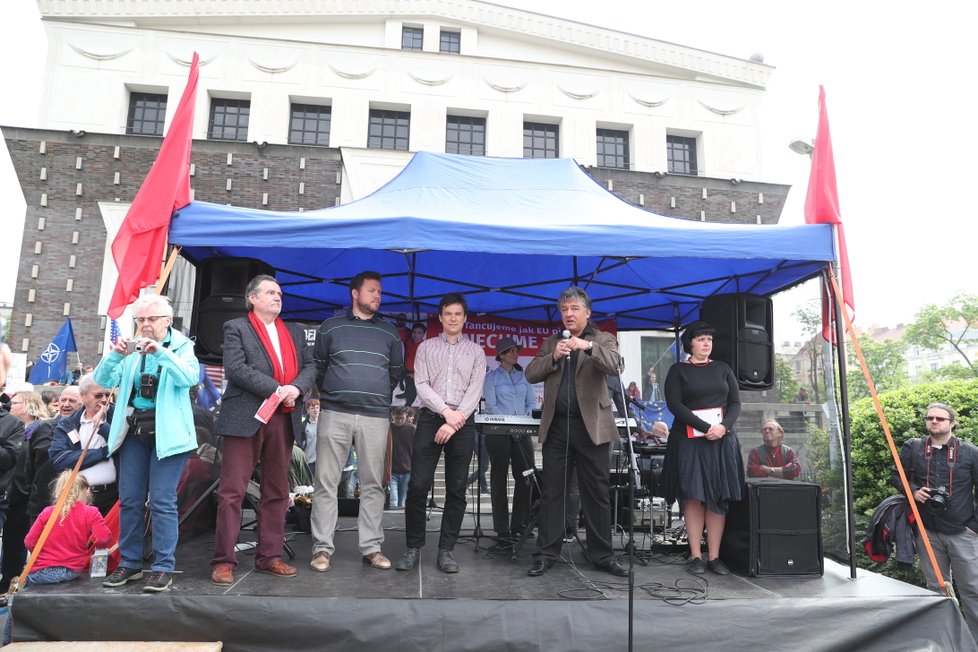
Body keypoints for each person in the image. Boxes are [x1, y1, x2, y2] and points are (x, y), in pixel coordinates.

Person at [210, 275, 316, 585]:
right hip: (245, 415)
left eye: (279, 293)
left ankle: (269, 556)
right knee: (232, 492)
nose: (277, 297)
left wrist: (295, 388)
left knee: (277, 491)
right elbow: (236, 367)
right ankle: (223, 561)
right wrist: (276, 388)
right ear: (252, 298)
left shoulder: (294, 332)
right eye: (270, 292)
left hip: (282, 417)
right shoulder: (237, 327)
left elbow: (310, 366)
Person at [95, 294, 201, 593]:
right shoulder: (131, 347)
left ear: (168, 320)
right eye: (140, 319)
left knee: (162, 501)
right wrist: (114, 355)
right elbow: (102, 379)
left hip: (169, 434)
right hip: (134, 431)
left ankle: (163, 566)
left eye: (151, 319)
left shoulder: (182, 346)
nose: (145, 325)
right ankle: (129, 563)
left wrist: (160, 354)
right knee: (129, 499)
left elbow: (189, 378)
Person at [524, 287, 627, 578]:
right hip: (557, 426)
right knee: (552, 492)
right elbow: (531, 373)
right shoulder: (552, 342)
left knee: (596, 493)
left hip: (592, 427)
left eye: (574, 309)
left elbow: (615, 365)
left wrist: (587, 347)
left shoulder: (604, 339)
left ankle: (602, 555)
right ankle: (546, 554)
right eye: (564, 309)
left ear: (587, 313)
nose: (568, 314)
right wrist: (554, 356)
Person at [310, 271, 404, 573]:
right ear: (355, 293)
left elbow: (395, 374)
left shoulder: (390, 333)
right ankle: (322, 549)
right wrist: (338, 392)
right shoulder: (330, 327)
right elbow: (320, 368)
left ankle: (372, 548)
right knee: (326, 483)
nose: (377, 296)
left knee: (373, 484)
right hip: (334, 413)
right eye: (372, 291)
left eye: (379, 292)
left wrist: (372, 395)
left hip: (375, 416)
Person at [396, 293, 486, 574]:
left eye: (458, 314)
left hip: (462, 421)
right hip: (432, 419)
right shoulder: (424, 348)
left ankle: (446, 550)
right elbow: (420, 385)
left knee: (456, 488)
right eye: (448, 314)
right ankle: (413, 548)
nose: (453, 318)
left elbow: (476, 389)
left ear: (465, 318)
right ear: (441, 317)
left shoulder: (476, 352)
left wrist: (456, 419)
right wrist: (446, 414)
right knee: (418, 485)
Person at [662, 320, 743, 576]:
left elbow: (735, 403)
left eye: (709, 339)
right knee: (694, 494)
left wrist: (723, 427)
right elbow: (675, 405)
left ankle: (714, 556)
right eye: (701, 339)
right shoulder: (678, 371)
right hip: (689, 440)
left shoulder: (723, 369)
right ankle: (696, 555)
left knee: (718, 497)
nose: (706, 343)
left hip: (721, 440)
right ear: (690, 343)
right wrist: (705, 426)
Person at [891, 402, 978, 640]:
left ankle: (974, 640)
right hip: (927, 530)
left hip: (963, 531)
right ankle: (947, 638)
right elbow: (896, 476)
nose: (934, 422)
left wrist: (974, 527)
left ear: (952, 423)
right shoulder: (914, 447)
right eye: (930, 418)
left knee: (973, 590)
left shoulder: (970, 452)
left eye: (940, 418)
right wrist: (914, 490)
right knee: (938, 589)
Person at [483, 336, 537, 541]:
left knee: (526, 477)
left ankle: (521, 524)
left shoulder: (523, 376)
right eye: (511, 351)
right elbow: (490, 406)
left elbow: (531, 403)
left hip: (522, 432)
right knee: (499, 478)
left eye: (517, 350)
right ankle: (502, 528)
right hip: (498, 432)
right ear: (501, 355)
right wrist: (509, 424)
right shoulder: (492, 377)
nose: (516, 353)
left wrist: (521, 423)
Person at [23, 471, 112, 587]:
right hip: (72, 570)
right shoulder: (91, 512)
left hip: (43, 569)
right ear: (86, 490)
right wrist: (97, 548)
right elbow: (104, 538)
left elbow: (29, 542)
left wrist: (44, 555)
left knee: (21, 586)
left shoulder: (47, 512)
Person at [2, 391, 50, 593]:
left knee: (16, 540)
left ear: (30, 405)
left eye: (16, 403)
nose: (10, 406)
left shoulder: (39, 429)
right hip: (9, 489)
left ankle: (10, 581)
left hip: (23, 492)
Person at [48, 375, 117, 516]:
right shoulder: (68, 423)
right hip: (78, 497)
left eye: (107, 394)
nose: (104, 400)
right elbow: (59, 459)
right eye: (98, 395)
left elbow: (120, 444)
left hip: (113, 497)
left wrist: (102, 426)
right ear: (83, 396)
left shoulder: (118, 417)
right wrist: (103, 453)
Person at [388, 408, 414, 509]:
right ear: (392, 415)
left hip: (407, 470)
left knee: (402, 501)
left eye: (401, 418)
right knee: (393, 501)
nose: (399, 421)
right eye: (396, 418)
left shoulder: (412, 429)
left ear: (406, 415)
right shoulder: (388, 428)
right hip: (391, 470)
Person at [301, 399, 320, 474]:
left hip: (321, 462)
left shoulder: (324, 424)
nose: (315, 410)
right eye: (312, 408)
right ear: (308, 411)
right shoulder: (303, 426)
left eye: (317, 407)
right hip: (308, 461)